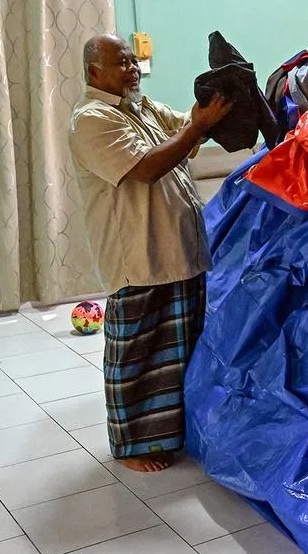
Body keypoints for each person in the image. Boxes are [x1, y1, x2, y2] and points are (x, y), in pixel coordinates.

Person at [69, 33, 232, 473]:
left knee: (178, 352)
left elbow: (185, 131)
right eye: (120, 62)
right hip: (138, 258)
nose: (131, 68)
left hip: (178, 253)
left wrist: (214, 111)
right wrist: (196, 127)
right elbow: (145, 168)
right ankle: (132, 447)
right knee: (137, 355)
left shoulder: (140, 108)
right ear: (93, 73)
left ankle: (172, 436)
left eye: (132, 59)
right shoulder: (92, 120)